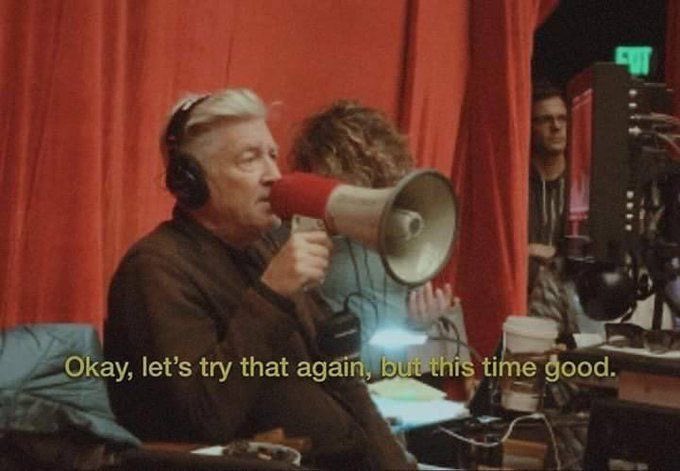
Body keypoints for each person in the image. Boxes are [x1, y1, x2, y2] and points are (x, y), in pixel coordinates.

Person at [104, 89, 414, 470]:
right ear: (191, 181)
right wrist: (272, 294)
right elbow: (204, 417)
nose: (273, 176)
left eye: (272, 156)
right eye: (249, 159)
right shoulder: (155, 269)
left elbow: (341, 377)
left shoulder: (264, 249)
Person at [291, 100, 470, 382]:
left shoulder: (406, 224)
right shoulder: (298, 237)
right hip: (333, 387)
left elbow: (437, 361)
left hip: (397, 385)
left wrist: (422, 326)